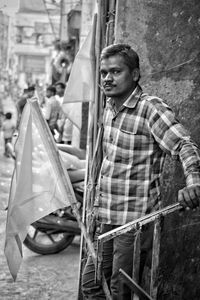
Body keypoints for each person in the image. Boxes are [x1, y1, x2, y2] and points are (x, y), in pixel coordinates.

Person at [81, 44, 200, 299]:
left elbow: (183, 145)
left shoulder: (150, 108)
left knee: (119, 291)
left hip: (134, 224)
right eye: (103, 73)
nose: (107, 79)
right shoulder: (110, 107)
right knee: (91, 285)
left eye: (115, 71)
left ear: (134, 74)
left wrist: (193, 182)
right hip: (106, 218)